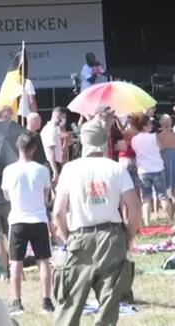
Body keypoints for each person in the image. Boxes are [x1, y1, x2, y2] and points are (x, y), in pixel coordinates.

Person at [52, 119, 141, 326]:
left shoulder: (70, 169)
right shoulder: (116, 168)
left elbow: (58, 212)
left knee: (71, 299)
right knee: (110, 299)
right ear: (105, 140)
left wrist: (68, 238)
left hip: (80, 235)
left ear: (82, 142)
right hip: (111, 236)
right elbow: (134, 207)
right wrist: (128, 236)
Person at [1, 133, 54, 315]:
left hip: (17, 220)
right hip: (38, 219)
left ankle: (16, 302)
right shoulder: (42, 170)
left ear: (18, 147)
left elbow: (6, 195)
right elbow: (46, 195)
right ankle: (46, 302)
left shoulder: (8, 170)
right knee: (44, 262)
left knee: (15, 263)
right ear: (34, 149)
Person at [129, 113, 173, 225]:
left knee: (146, 198)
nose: (152, 125)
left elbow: (135, 151)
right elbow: (161, 147)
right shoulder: (154, 136)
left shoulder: (134, 139)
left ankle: (147, 222)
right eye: (149, 124)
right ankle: (170, 220)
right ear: (144, 126)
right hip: (157, 168)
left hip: (143, 170)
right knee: (163, 196)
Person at [157, 114, 175, 201]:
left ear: (161, 123)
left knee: (163, 185)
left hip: (163, 160)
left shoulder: (158, 136)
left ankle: (162, 205)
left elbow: (158, 150)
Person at [41, 107, 67, 184]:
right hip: (52, 164)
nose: (64, 120)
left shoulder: (54, 129)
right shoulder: (51, 130)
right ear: (60, 117)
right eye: (63, 118)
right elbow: (50, 152)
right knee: (55, 190)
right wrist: (55, 171)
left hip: (55, 163)